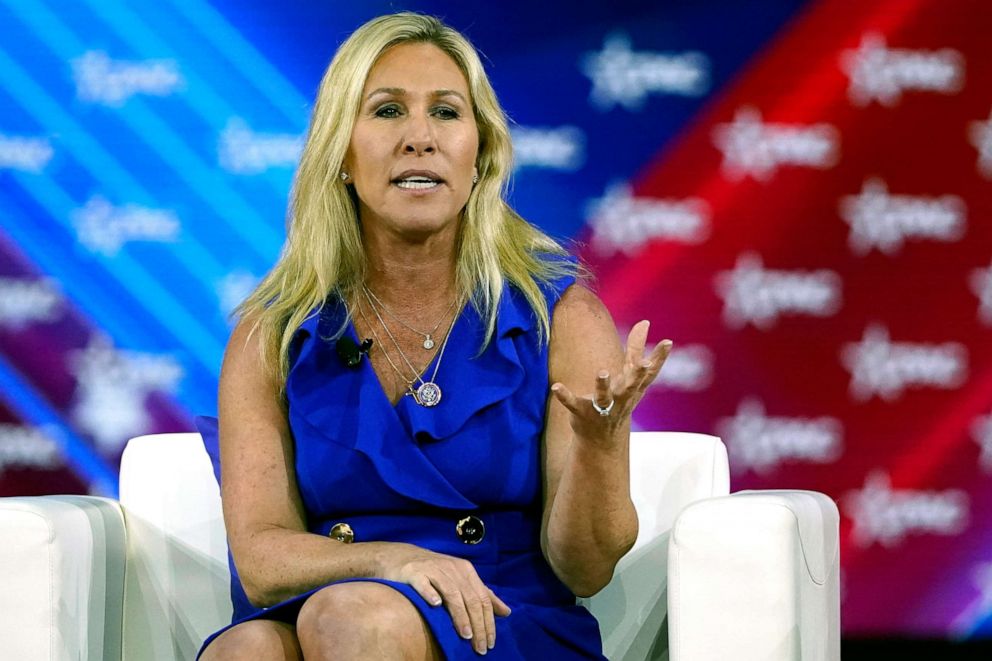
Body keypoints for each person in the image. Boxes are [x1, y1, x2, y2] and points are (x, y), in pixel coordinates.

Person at [199, 12, 671, 661]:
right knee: (247, 648)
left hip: (501, 613)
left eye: (447, 113)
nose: (420, 137)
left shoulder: (559, 315)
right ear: (341, 151)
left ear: (479, 156)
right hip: (335, 592)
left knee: (352, 617)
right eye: (388, 110)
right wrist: (394, 560)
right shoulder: (271, 333)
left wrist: (598, 448)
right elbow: (260, 558)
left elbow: (587, 569)